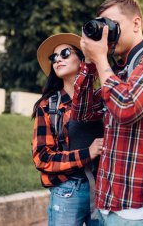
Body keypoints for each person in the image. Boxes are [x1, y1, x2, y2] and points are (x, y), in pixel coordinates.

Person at [72, 0, 143, 225]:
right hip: (105, 205)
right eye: (102, 26)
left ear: (136, 24)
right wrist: (89, 63)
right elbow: (82, 114)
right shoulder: (118, 71)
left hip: (136, 210)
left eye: (112, 24)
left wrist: (101, 59)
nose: (107, 33)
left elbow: (127, 107)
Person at [32, 33, 103, 226]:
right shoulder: (47, 106)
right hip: (67, 190)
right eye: (53, 57)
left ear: (83, 60)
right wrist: (87, 153)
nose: (57, 60)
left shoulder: (101, 98)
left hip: (104, 189)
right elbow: (42, 158)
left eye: (64, 53)